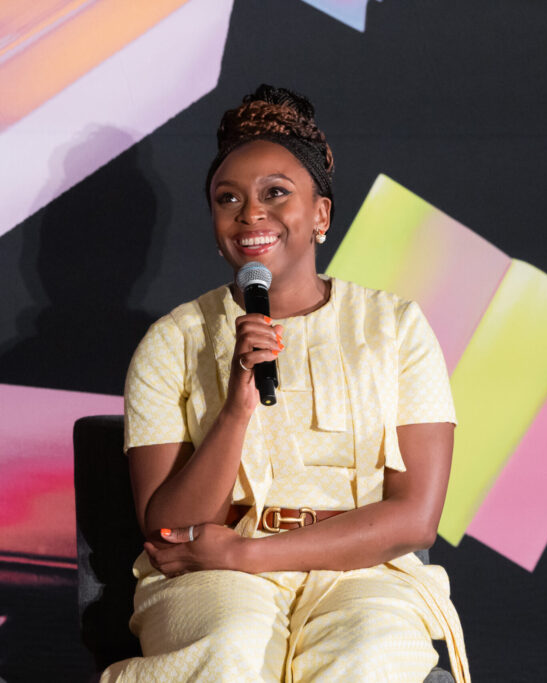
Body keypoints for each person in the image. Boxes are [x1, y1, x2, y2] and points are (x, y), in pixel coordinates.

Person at [101, 85, 469, 683]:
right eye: (229, 199)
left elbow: (414, 521)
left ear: (320, 214)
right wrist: (236, 409)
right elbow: (166, 526)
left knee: (368, 656)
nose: (251, 214)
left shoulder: (396, 326)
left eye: (275, 193)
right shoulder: (174, 339)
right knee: (231, 648)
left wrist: (248, 552)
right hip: (210, 576)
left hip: (362, 571)